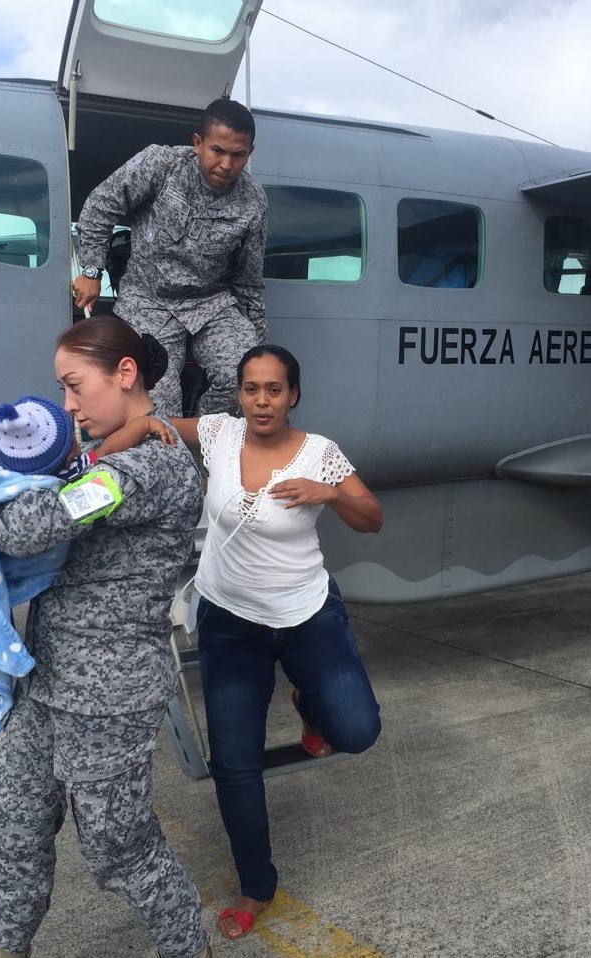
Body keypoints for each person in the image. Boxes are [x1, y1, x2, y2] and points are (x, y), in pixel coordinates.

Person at [0, 316, 212, 958]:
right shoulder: (104, 457)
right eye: (62, 390)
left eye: (74, 386)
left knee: (120, 852)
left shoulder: (149, 469)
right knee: (10, 834)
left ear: (126, 374)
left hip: (110, 700)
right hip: (45, 686)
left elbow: (32, 527)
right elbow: (50, 495)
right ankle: (5, 946)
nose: (67, 405)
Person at [167, 344, 383, 942]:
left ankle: (308, 705)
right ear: (239, 393)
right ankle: (256, 885)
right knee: (235, 764)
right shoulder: (217, 434)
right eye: (251, 388)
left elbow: (373, 517)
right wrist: (98, 444)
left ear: (293, 395)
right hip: (231, 624)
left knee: (357, 731)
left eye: (274, 389)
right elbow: (153, 423)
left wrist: (331, 493)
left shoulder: (321, 453)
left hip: (307, 613)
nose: (261, 400)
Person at [0, 395, 173, 734]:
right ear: (66, 450)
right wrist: (144, 425)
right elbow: (106, 453)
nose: (75, 407)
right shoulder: (74, 470)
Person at [73, 97, 268, 417]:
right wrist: (91, 271)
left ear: (250, 152)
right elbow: (99, 208)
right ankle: (164, 457)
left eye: (238, 155)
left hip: (210, 303)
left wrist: (260, 347)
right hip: (149, 299)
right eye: (218, 151)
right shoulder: (159, 166)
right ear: (198, 142)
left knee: (249, 378)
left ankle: (203, 449)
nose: (226, 165)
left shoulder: (253, 202)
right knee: (157, 399)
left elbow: (248, 281)